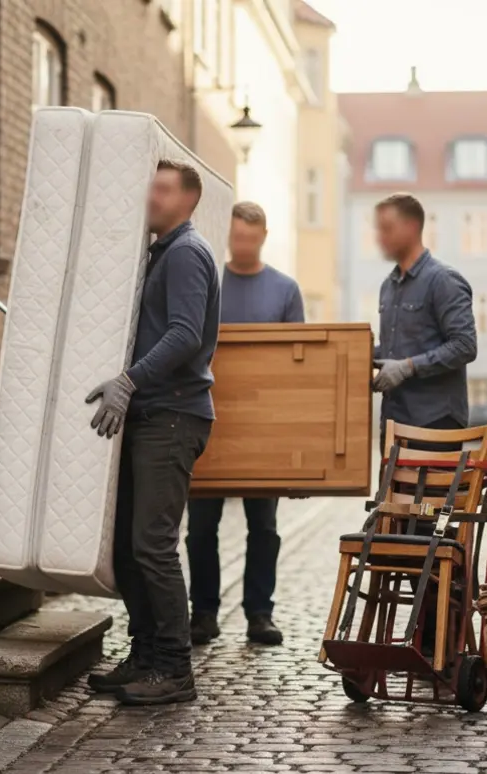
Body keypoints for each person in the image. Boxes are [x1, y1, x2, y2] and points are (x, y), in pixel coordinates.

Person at [84, 159, 221, 706]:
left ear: (188, 200)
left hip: (174, 415)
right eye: (150, 187)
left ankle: (174, 669)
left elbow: (186, 335)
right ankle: (144, 655)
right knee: (127, 545)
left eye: (162, 190)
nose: (151, 197)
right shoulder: (160, 251)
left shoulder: (186, 253)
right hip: (153, 414)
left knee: (154, 547)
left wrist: (129, 380)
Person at [185, 202, 302, 648]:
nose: (243, 245)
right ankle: (204, 613)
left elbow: (299, 369)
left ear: (264, 237)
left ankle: (259, 613)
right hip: (206, 422)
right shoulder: (209, 282)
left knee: (265, 528)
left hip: (264, 432)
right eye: (237, 238)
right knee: (200, 528)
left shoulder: (285, 290)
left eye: (251, 238)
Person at [370, 192, 477, 655]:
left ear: (411, 229)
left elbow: (465, 345)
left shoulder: (442, 281)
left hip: (436, 432)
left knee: (434, 532)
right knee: (398, 537)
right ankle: (413, 638)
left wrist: (408, 367)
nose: (380, 236)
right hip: (397, 432)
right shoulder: (389, 287)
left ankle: (439, 640)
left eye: (387, 227)